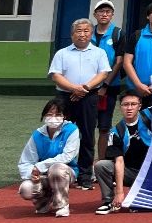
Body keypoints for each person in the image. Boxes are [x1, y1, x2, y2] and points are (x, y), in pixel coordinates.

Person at [47, 17, 110, 189]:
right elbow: (56, 75)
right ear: (72, 34)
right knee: (60, 134)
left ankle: (85, 176)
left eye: (86, 31)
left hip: (89, 97)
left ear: (91, 34)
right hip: (65, 97)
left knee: (87, 135)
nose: (82, 34)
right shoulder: (62, 53)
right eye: (78, 31)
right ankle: (59, 173)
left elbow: (103, 73)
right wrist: (74, 88)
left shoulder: (99, 53)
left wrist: (85, 88)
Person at [17, 98, 79, 217]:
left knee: (56, 169)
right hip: (42, 175)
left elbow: (67, 156)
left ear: (65, 116)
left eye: (58, 114)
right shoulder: (37, 135)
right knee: (26, 188)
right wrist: (32, 175)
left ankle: (61, 205)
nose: (53, 118)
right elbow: (26, 160)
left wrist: (40, 166)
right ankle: (43, 202)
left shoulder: (71, 130)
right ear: (44, 116)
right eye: (49, 114)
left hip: (65, 172)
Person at [95, 91, 151, 214]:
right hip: (131, 173)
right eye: (125, 104)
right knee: (101, 165)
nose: (129, 108)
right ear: (120, 107)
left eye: (133, 104)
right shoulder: (116, 132)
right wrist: (119, 193)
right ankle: (108, 201)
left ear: (140, 106)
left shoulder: (150, 116)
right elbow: (119, 162)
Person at [89, 0, 124, 159]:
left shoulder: (118, 33)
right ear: (95, 14)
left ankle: (100, 162)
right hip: (88, 87)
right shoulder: (88, 32)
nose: (104, 14)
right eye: (101, 11)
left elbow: (119, 61)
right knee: (87, 126)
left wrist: (105, 85)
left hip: (109, 88)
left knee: (104, 127)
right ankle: (85, 162)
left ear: (112, 14)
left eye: (108, 11)